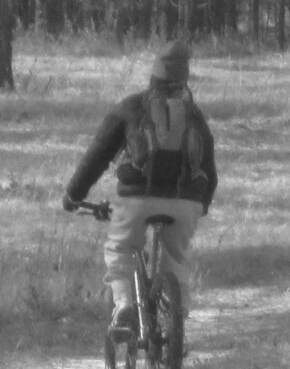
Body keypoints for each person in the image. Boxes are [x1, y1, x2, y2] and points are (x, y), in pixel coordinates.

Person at [62, 39, 218, 339]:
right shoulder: (194, 115)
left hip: (137, 198)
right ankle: (176, 327)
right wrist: (202, 204)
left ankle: (124, 307)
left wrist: (73, 196)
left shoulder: (130, 107)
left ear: (152, 77)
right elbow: (209, 169)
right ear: (184, 81)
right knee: (176, 259)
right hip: (186, 201)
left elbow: (97, 156)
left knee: (120, 249)